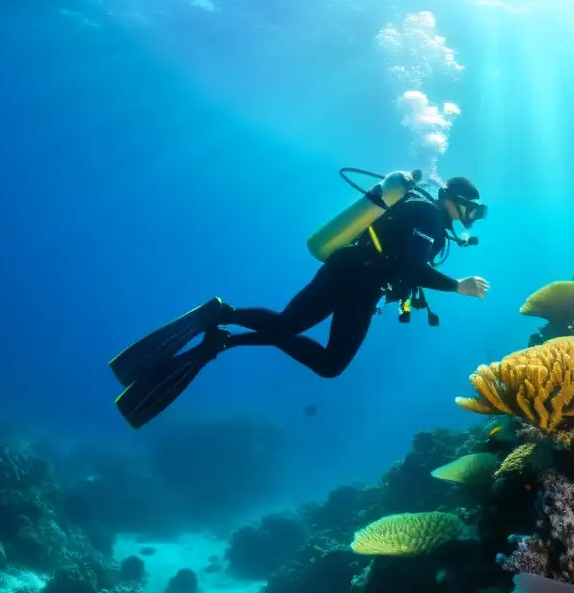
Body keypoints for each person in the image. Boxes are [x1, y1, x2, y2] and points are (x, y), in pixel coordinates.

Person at [110, 174, 490, 428]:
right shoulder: (427, 214)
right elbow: (410, 266)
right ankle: (223, 315)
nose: (475, 216)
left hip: (362, 285)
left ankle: (224, 338)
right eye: (475, 208)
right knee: (291, 327)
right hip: (350, 274)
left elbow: (406, 267)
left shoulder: (427, 220)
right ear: (454, 199)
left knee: (328, 362)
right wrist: (457, 285)